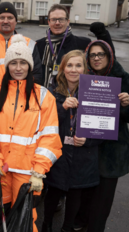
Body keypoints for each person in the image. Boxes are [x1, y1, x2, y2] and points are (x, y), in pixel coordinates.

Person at [0, 34, 62, 230]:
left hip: (28, 172)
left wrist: (39, 172)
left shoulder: (43, 96)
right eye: (13, 63)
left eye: (23, 63)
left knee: (26, 220)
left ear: (30, 66)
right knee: (1, 217)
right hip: (0, 170)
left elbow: (50, 138)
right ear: (7, 65)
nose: (18, 68)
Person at [75, 40, 129, 232]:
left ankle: (96, 227)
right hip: (87, 144)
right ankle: (80, 220)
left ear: (109, 56)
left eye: (100, 54)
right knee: (85, 190)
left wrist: (127, 104)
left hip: (113, 148)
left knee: (103, 196)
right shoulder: (82, 77)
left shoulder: (124, 79)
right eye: (92, 55)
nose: (96, 58)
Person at [42, 50, 102, 232]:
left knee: (76, 194)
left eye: (78, 65)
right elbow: (41, 123)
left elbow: (103, 126)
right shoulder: (51, 91)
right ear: (62, 68)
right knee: (53, 192)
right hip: (58, 152)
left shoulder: (95, 92)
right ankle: (47, 224)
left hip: (82, 154)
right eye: (69, 65)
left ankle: (67, 227)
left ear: (85, 69)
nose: (74, 70)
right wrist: (61, 108)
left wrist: (88, 140)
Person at [36, 4, 116, 88]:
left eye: (61, 19)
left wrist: (103, 36)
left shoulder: (82, 43)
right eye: (53, 20)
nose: (57, 23)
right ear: (49, 22)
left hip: (72, 97)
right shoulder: (39, 45)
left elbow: (107, 62)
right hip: (42, 96)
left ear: (68, 22)